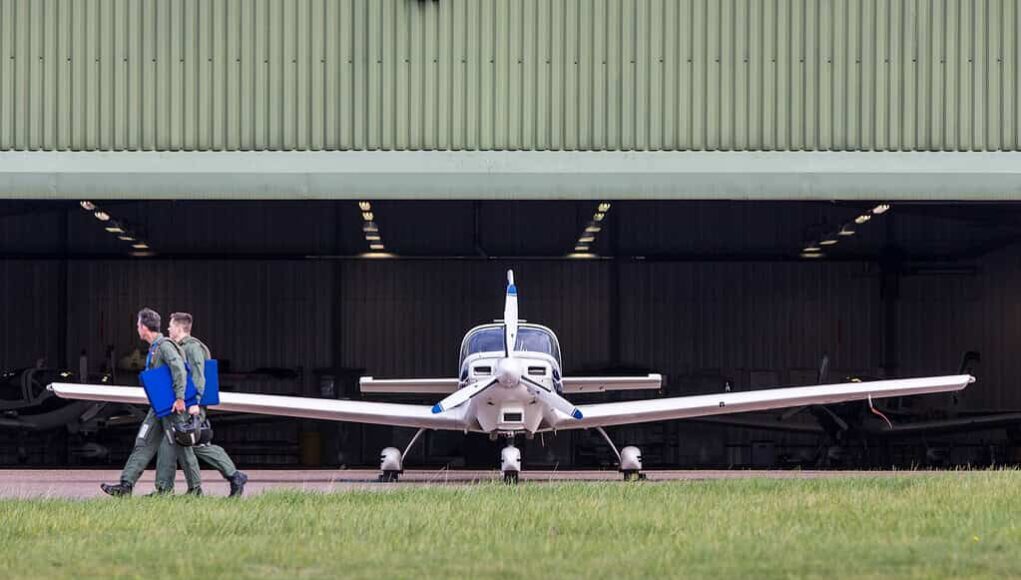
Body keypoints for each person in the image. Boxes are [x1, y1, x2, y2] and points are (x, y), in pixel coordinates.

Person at [100, 308, 203, 496]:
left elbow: (179, 369)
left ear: (144, 327)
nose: (137, 328)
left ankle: (195, 490)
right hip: (159, 407)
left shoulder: (165, 346)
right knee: (143, 441)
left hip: (173, 407)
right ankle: (126, 485)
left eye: (138, 325)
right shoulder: (155, 348)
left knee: (183, 446)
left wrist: (180, 398)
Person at [154, 312, 248, 497]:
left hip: (192, 405)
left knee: (191, 443)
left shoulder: (193, 348)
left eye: (171, 326)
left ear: (179, 328)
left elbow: (198, 376)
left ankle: (230, 477)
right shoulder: (180, 347)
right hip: (186, 403)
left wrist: (194, 402)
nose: (168, 329)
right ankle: (229, 477)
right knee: (189, 444)